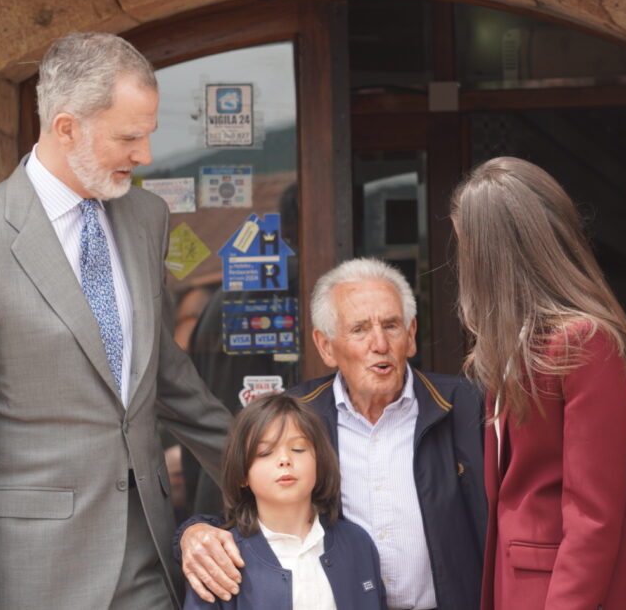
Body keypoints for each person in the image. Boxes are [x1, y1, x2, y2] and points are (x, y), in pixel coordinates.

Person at [0, 32, 240, 610]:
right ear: (66, 129)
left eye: (149, 134)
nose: (146, 156)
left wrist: (263, 466)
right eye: (129, 137)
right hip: (32, 575)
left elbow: (163, 378)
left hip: (149, 560)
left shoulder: (146, 217)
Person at [178, 257, 487, 610]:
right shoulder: (296, 417)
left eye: (391, 325)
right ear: (325, 346)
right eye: (359, 329)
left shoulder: (464, 406)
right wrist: (192, 532)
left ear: (411, 336)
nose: (380, 344)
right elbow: (242, 506)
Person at [451, 156, 626, 609]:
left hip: (569, 593)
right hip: (524, 585)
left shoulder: (586, 341)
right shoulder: (516, 347)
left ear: (495, 252)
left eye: (466, 245)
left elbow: (591, 516)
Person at [183, 394, 386, 610]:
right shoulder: (220, 556)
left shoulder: (357, 542)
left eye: (298, 448)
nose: (284, 459)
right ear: (242, 473)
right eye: (265, 452)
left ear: (319, 461)